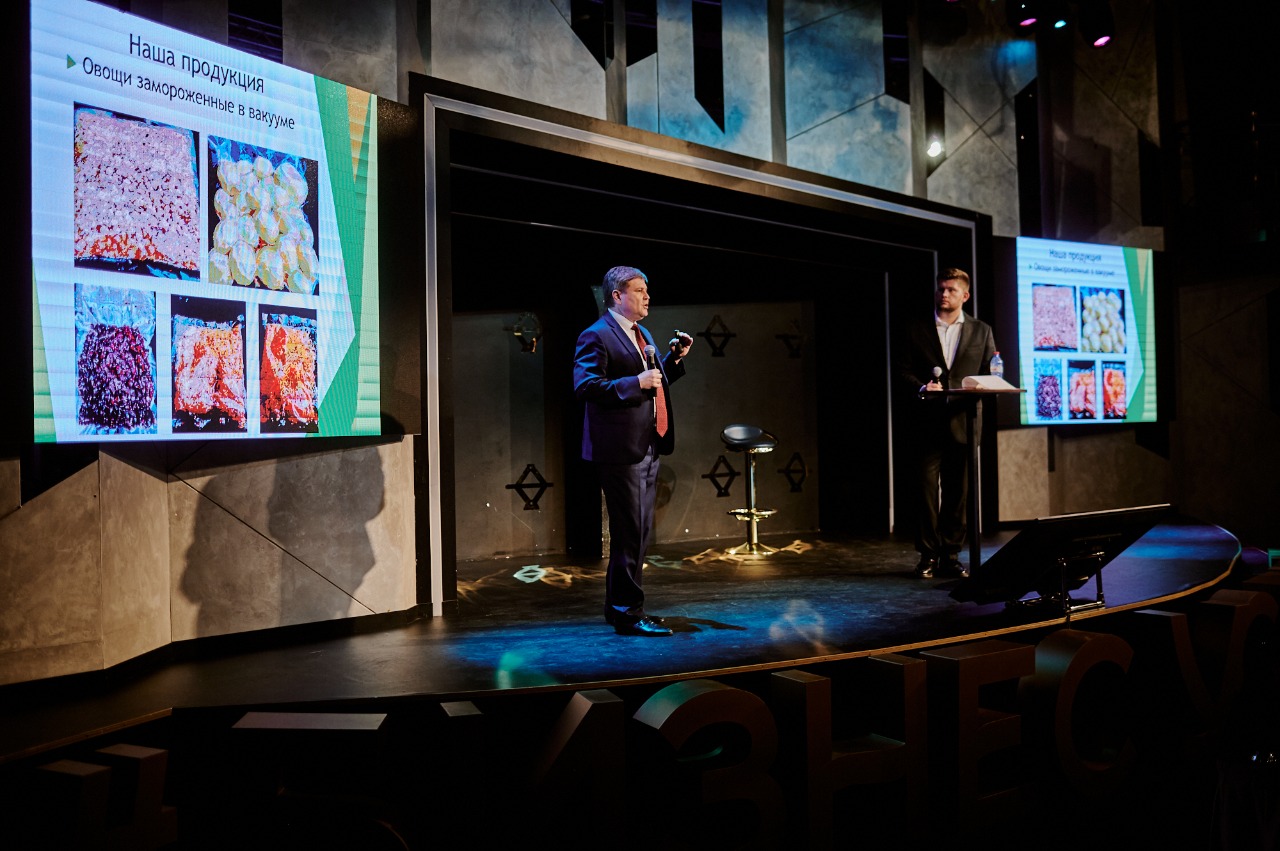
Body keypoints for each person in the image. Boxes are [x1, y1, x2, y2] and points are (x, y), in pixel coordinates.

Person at [574, 266, 693, 636]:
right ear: (617, 296)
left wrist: (673, 360)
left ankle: (619, 609)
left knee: (638, 533)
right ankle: (628, 613)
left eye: (646, 290)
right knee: (630, 532)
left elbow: (654, 384)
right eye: (639, 290)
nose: (647, 297)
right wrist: (635, 382)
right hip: (620, 450)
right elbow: (586, 385)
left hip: (648, 445)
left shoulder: (642, 334)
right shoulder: (596, 335)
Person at [895, 267, 997, 579]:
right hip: (926, 423)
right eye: (941, 288)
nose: (944, 294)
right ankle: (927, 554)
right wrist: (921, 387)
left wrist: (982, 384)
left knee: (958, 494)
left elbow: (991, 371)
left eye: (951, 289)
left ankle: (951, 555)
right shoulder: (917, 328)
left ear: (965, 295)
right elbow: (902, 370)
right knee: (924, 492)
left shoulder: (981, 330)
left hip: (963, 421)